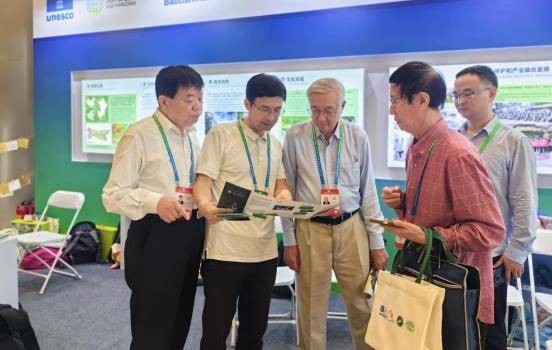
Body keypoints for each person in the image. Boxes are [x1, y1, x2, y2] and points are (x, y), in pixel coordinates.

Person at [380, 61, 505, 340]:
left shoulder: (457, 153)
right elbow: (436, 211)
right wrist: (402, 203)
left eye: (395, 101)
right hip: (422, 277)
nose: (391, 111)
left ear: (421, 100)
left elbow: (490, 231)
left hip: (452, 287)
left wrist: (428, 236)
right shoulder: (416, 146)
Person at [102, 65, 205, 350]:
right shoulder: (139, 135)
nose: (197, 106)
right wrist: (154, 201)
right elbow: (112, 194)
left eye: (200, 98)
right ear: (164, 101)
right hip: (155, 234)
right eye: (189, 99)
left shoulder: (192, 135)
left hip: (190, 231)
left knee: (180, 320)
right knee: (152, 328)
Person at [282, 78, 388, 350]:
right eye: (315, 110)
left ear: (343, 106)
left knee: (363, 304)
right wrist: (290, 241)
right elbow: (286, 194)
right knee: (310, 309)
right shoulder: (294, 137)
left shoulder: (357, 136)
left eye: (329, 110)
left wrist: (376, 242)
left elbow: (368, 192)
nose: (321, 118)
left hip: (351, 227)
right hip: (310, 228)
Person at [193, 73, 293, 350]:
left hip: (264, 252)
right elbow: (203, 182)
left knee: (254, 331)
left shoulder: (275, 144)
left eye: (277, 110)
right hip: (225, 251)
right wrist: (204, 205)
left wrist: (283, 198)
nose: (271, 117)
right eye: (265, 109)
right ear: (247, 104)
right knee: (216, 332)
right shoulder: (221, 135)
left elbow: (280, 184)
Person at [453, 65, 538, 349]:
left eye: (468, 93)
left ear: (491, 93)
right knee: (453, 329)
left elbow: (524, 201)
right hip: (454, 251)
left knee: (490, 333)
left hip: (493, 256)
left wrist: (516, 251)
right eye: (456, 95)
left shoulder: (513, 141)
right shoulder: (452, 140)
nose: (461, 101)